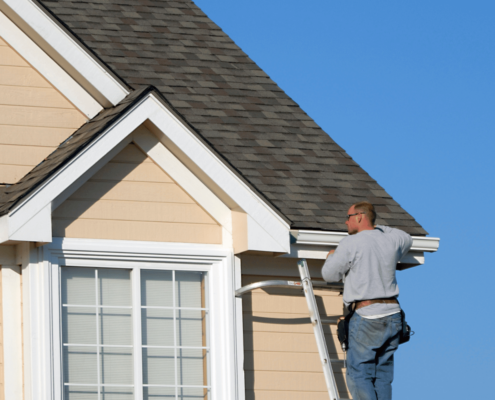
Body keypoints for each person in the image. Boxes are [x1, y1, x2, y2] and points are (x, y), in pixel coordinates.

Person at [321, 201, 413, 400]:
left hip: (367, 316)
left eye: (348, 217)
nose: (346, 222)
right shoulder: (392, 240)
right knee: (382, 376)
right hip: (393, 316)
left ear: (360, 216)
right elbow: (406, 237)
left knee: (359, 375)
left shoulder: (351, 243)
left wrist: (331, 256)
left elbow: (329, 274)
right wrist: (376, 227)